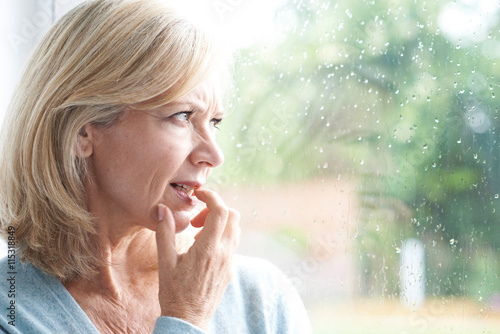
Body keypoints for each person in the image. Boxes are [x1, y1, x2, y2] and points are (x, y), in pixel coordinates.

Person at [0, 0, 311, 333]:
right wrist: (186, 318)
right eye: (181, 116)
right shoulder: (13, 311)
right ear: (81, 131)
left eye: (214, 122)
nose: (214, 155)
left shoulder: (262, 298)